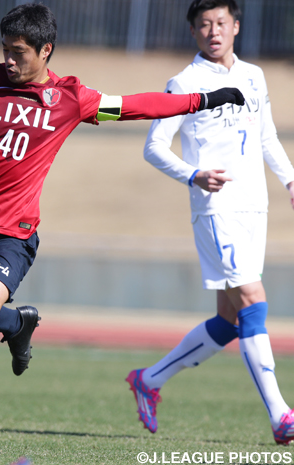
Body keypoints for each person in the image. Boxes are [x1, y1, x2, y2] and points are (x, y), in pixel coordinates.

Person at [0, 2, 244, 435]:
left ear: (45, 49)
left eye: (19, 52)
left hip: (13, 234)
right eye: (6, 50)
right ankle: (19, 322)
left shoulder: (70, 100)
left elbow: (133, 105)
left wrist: (202, 99)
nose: (9, 60)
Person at [127, 0, 294, 444]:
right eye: (204, 24)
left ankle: (150, 379)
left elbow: (267, 137)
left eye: (221, 22)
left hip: (253, 207)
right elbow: (155, 146)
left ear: (236, 27)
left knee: (229, 318)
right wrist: (193, 173)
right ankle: (281, 415)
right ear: (193, 32)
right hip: (215, 209)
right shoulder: (184, 83)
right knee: (253, 300)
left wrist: (290, 180)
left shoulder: (254, 76)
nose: (213, 31)